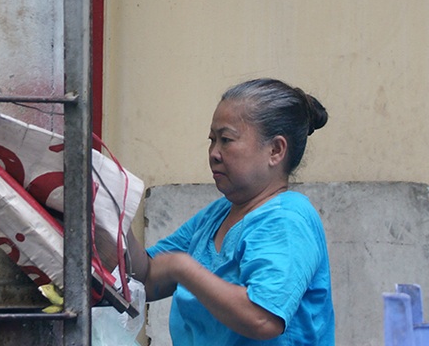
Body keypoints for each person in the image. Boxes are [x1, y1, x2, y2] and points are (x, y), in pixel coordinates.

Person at [128, 78, 335, 345]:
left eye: (226, 140)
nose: (214, 153)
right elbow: (144, 277)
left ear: (275, 150)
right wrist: (111, 217)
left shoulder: (287, 220)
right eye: (212, 140)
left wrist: (182, 268)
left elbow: (262, 318)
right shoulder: (218, 215)